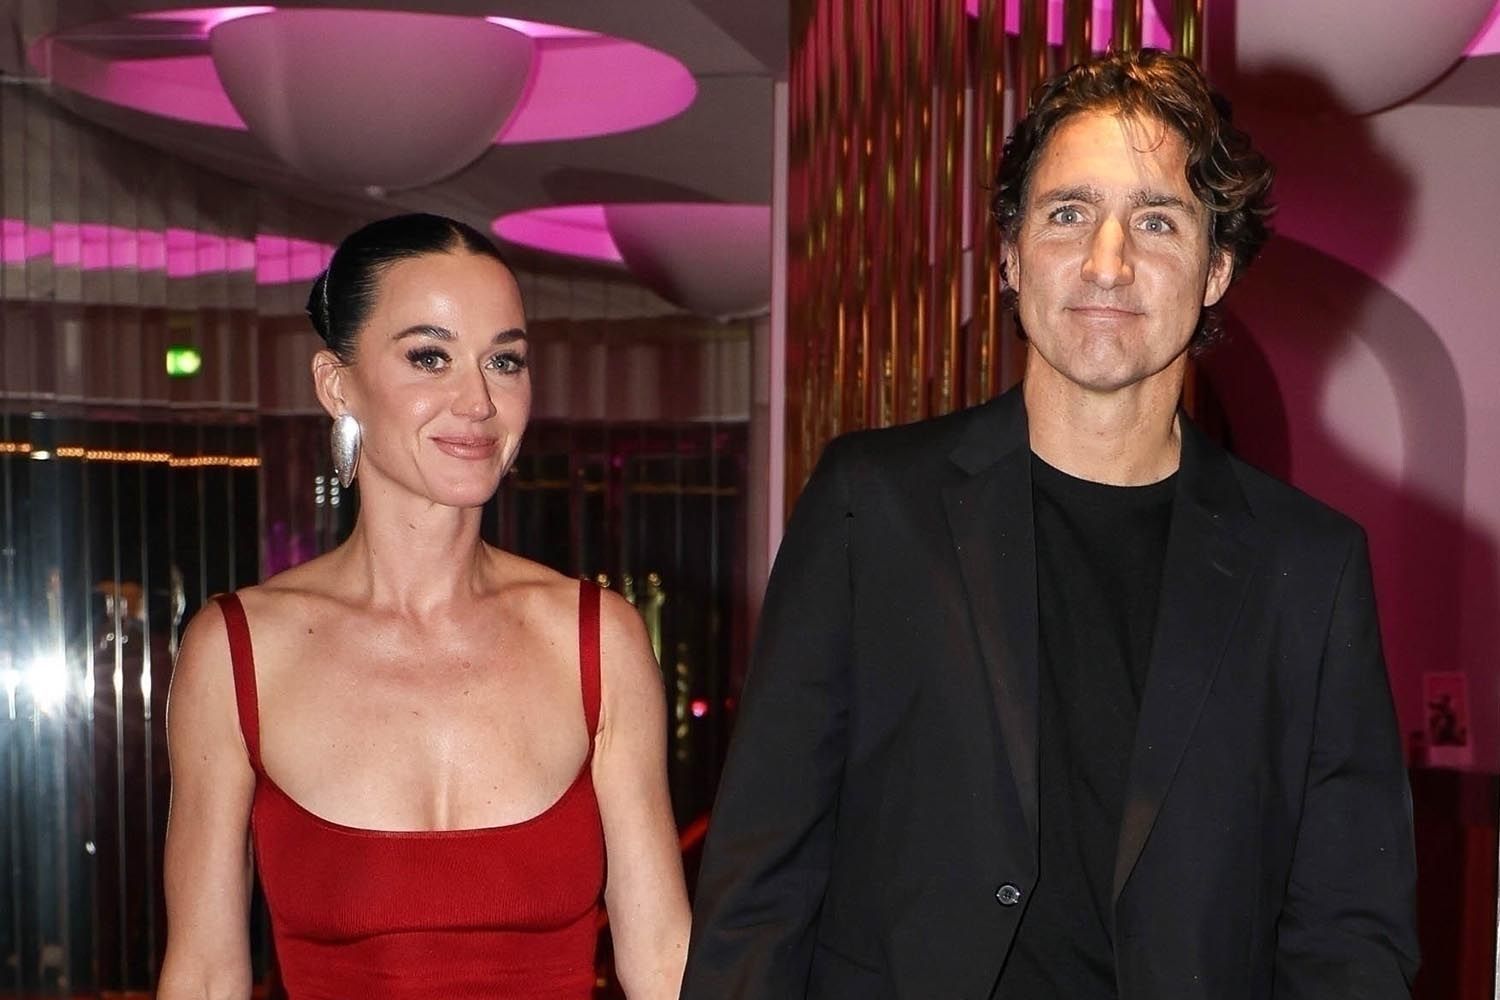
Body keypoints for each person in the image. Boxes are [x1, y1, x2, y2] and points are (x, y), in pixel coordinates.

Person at [681, 50, 1418, 999]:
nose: (1108, 261)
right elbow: (760, 878)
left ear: (1216, 269)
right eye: (1069, 213)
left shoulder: (1308, 567)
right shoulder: (873, 504)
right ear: (1011, 254)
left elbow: (1349, 930)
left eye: (1156, 220)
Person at [158, 214, 689, 1000]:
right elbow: (204, 976)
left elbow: (664, 961)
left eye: (503, 361)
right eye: (430, 357)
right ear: (337, 385)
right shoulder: (239, 651)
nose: (477, 401)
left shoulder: (596, 639)